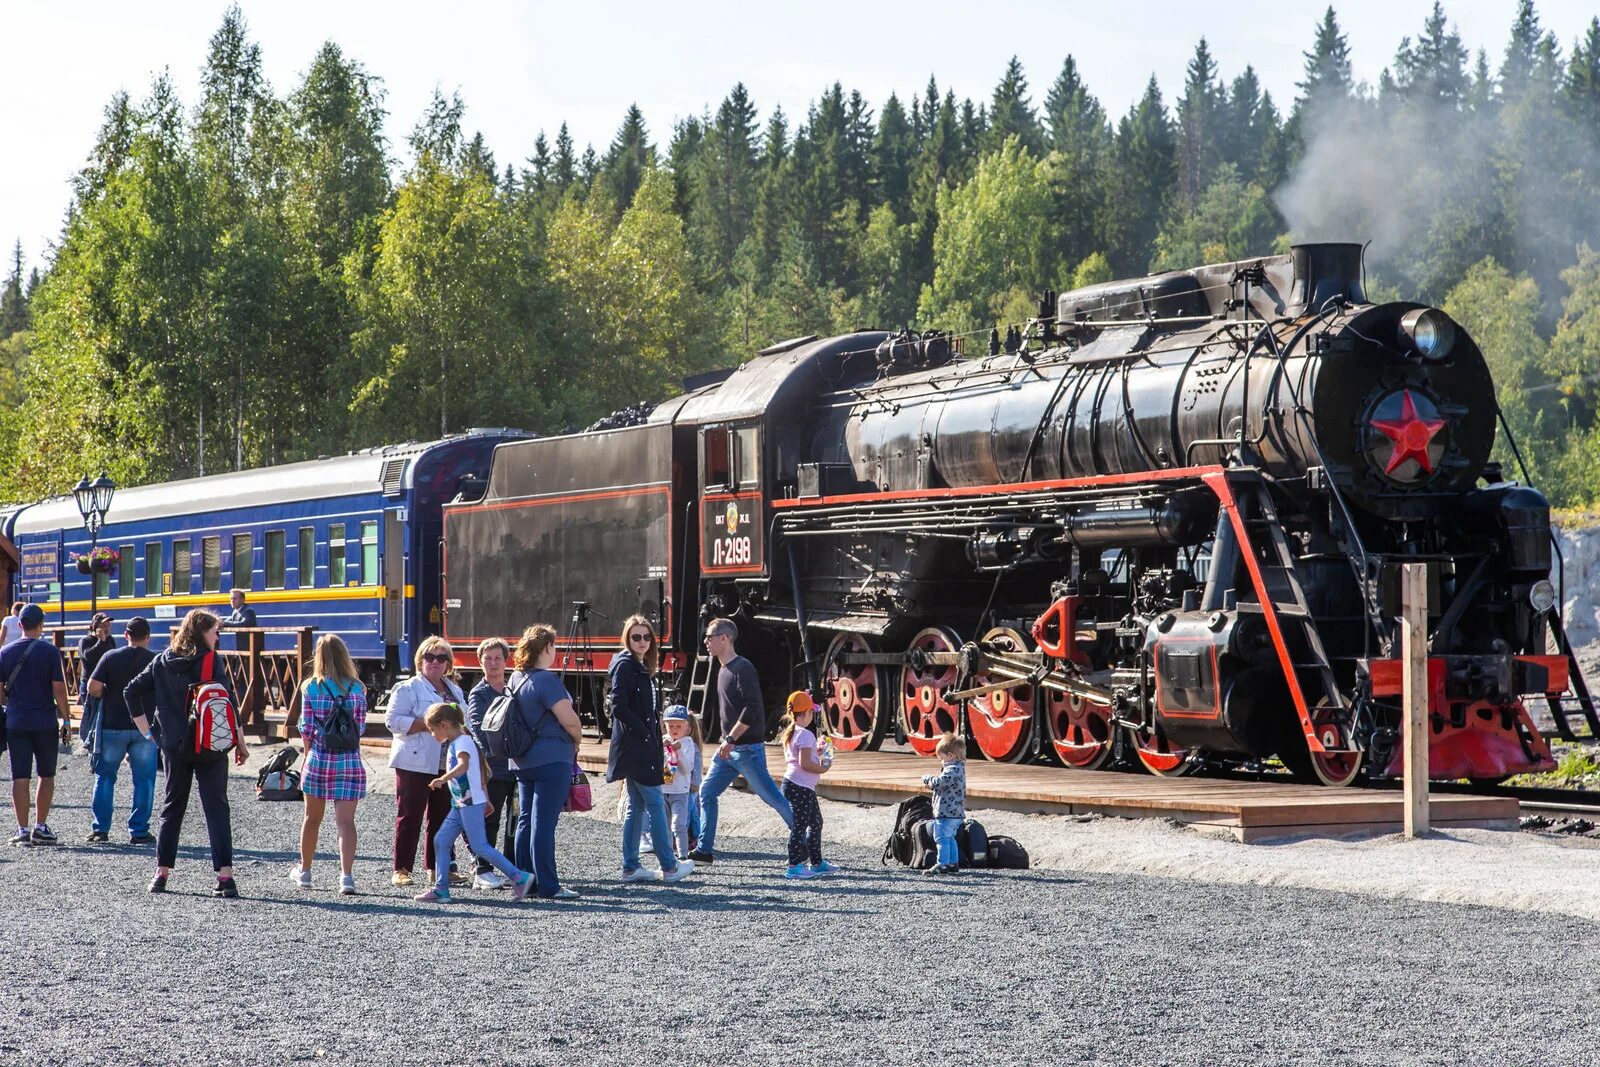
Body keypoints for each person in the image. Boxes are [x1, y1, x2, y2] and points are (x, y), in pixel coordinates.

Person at [125, 609, 250, 895]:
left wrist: (148, 732)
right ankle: (225, 877)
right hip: (209, 745)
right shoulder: (211, 660)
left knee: (172, 807)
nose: (217, 637)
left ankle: (161, 874)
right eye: (215, 632)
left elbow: (131, 691)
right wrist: (240, 744)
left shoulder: (162, 660)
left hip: (174, 746)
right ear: (201, 632)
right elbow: (228, 703)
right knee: (216, 808)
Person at [691, 618, 793, 864]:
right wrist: (728, 741)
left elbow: (752, 708)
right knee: (707, 792)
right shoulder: (722, 669)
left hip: (745, 749)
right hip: (729, 749)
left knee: (772, 797)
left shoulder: (742, 668)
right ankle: (704, 850)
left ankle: (805, 839)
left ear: (724, 638)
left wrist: (730, 738)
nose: (706, 641)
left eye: (710, 637)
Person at [413, 702, 534, 904]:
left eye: (433, 730)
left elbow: (463, 766)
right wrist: (485, 798)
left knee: (480, 846)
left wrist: (443, 779)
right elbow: (477, 773)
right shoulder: (459, 742)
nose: (432, 735)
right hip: (462, 803)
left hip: (468, 804)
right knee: (441, 840)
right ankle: (441, 889)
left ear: (444, 725)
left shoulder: (462, 742)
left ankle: (519, 877)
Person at [606, 616, 693, 884]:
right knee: (654, 802)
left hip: (637, 745)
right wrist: (645, 732)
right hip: (638, 746)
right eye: (636, 637)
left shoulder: (637, 664)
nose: (642, 641)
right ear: (627, 639)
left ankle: (631, 867)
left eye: (646, 637)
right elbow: (618, 705)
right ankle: (669, 866)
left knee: (637, 805)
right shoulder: (626, 665)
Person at [507, 624, 584, 900]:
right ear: (547, 647)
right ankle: (549, 886)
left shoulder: (515, 678)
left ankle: (525, 882)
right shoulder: (547, 680)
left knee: (525, 821)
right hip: (551, 759)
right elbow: (569, 720)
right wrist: (577, 738)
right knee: (544, 823)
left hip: (522, 760)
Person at [385, 636, 466, 888]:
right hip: (414, 762)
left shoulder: (455, 691)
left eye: (441, 658)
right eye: (429, 657)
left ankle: (436, 868)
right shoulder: (408, 688)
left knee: (442, 817)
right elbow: (392, 721)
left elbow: (464, 721)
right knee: (410, 815)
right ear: (420, 661)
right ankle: (401, 869)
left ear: (448, 663)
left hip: (446, 763)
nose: (435, 662)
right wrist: (430, 725)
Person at [292, 634, 367, 895]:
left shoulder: (310, 687)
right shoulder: (357, 688)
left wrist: (308, 754)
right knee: (346, 822)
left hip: (319, 758)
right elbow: (360, 727)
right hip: (349, 760)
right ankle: (346, 877)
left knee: (312, 819)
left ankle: (305, 872)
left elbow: (306, 728)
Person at [0, 604, 70, 846]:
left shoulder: (5, 652)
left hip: (16, 722)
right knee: (46, 774)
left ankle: (22, 829)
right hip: (44, 722)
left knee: (20, 776)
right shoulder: (50, 652)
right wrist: (66, 719)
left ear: (19, 624)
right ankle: (40, 826)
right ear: (41, 625)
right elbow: (59, 689)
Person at [84, 617, 158, 844]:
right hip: (144, 727)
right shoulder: (155, 660)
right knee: (144, 781)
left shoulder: (110, 656)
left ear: (126, 635)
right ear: (148, 637)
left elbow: (93, 688)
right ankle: (139, 830)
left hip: (112, 726)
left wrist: (109, 692)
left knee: (105, 777)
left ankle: (100, 829)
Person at [465, 637, 517, 890]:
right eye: (488, 658)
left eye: (498, 658)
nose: (493, 663)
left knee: (515, 820)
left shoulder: (514, 690)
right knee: (490, 819)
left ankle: (511, 867)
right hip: (492, 767)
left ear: (506, 661)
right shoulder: (479, 694)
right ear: (480, 662)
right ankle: (482, 869)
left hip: (516, 766)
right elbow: (479, 728)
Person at [779, 691, 840, 879]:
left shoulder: (792, 733)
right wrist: (823, 768)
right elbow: (805, 763)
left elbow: (800, 758)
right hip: (801, 786)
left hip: (794, 784)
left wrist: (817, 751)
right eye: (811, 712)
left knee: (815, 822)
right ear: (805, 713)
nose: (812, 715)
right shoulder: (805, 734)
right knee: (801, 825)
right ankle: (794, 866)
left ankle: (816, 862)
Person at [921, 732, 968, 875]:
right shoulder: (959, 768)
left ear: (950, 755)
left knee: (941, 839)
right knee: (950, 838)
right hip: (955, 813)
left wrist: (927, 779)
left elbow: (938, 782)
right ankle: (953, 863)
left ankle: (942, 864)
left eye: (942, 758)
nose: (941, 761)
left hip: (946, 812)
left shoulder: (952, 770)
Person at [661, 705, 702, 859]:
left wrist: (678, 751)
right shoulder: (663, 741)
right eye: (670, 726)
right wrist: (661, 749)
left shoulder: (688, 743)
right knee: (664, 825)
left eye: (678, 726)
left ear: (686, 726)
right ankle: (667, 856)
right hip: (663, 788)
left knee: (679, 824)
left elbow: (687, 768)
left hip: (680, 791)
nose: (674, 729)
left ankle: (683, 855)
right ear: (665, 726)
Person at [76, 613, 115, 748]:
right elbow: (88, 658)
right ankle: (87, 742)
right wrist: (100, 641)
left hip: (106, 683)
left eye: (108, 625)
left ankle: (101, 741)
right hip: (89, 683)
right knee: (89, 713)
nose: (107, 628)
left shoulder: (110, 640)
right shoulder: (85, 641)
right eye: (104, 625)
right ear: (95, 627)